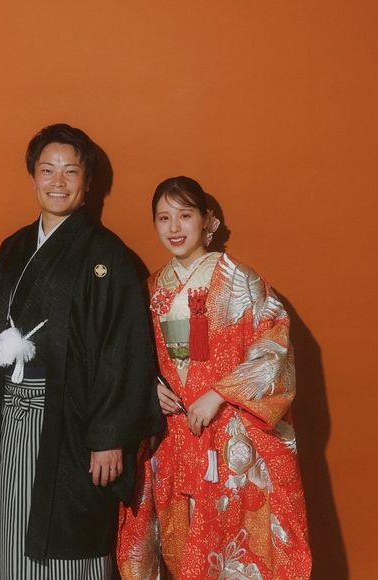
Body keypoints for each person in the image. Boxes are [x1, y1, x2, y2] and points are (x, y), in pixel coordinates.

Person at [0, 123, 163, 579]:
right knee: (9, 522)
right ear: (32, 176)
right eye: (47, 170)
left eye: (71, 171)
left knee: (67, 529)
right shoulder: (13, 248)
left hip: (72, 424)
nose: (58, 181)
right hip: (8, 412)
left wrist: (109, 435)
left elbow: (123, 349)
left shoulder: (108, 256)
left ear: (88, 182)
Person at [117, 177, 312, 579]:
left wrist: (219, 393)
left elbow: (274, 348)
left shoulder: (241, 280)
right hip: (172, 435)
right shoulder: (150, 289)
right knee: (178, 542)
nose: (174, 228)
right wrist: (150, 388)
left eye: (185, 216)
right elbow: (131, 358)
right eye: (164, 218)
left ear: (207, 220)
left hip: (229, 434)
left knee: (230, 547)